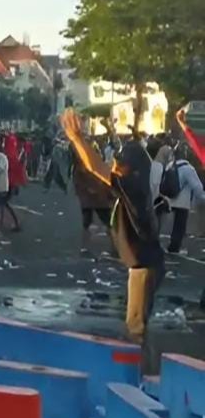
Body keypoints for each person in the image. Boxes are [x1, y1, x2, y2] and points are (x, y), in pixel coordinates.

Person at [62, 109, 163, 341]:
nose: (115, 165)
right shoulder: (136, 184)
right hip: (145, 263)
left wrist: (77, 138)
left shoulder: (134, 187)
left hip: (144, 267)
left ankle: (139, 370)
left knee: (135, 327)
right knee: (136, 322)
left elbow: (97, 168)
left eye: (120, 163)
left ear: (132, 168)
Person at [157, 145, 203, 254]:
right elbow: (197, 188)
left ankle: (154, 244)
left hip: (167, 199)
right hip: (182, 202)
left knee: (159, 222)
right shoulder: (189, 168)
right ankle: (174, 248)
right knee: (179, 226)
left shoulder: (169, 166)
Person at [72, 148, 114, 253]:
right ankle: (115, 246)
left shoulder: (85, 164)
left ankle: (86, 247)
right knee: (105, 223)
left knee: (104, 223)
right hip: (95, 199)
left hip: (96, 199)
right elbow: (79, 182)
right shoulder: (83, 165)